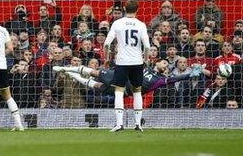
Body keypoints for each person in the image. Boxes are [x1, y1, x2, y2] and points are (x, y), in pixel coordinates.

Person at [103, 0, 150, 132]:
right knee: (137, 91)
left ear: (124, 8)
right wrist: (145, 59)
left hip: (122, 62)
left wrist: (106, 57)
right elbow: (147, 46)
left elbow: (106, 44)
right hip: (137, 62)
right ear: (137, 9)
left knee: (118, 91)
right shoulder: (141, 25)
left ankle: (119, 124)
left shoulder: (117, 23)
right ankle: (138, 124)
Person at [53, 59, 203, 100]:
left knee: (97, 86)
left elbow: (175, 79)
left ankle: (71, 74)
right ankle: (65, 69)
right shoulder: (147, 66)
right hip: (120, 76)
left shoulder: (159, 80)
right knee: (95, 72)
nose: (163, 63)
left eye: (165, 63)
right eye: (162, 61)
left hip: (125, 91)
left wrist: (189, 74)